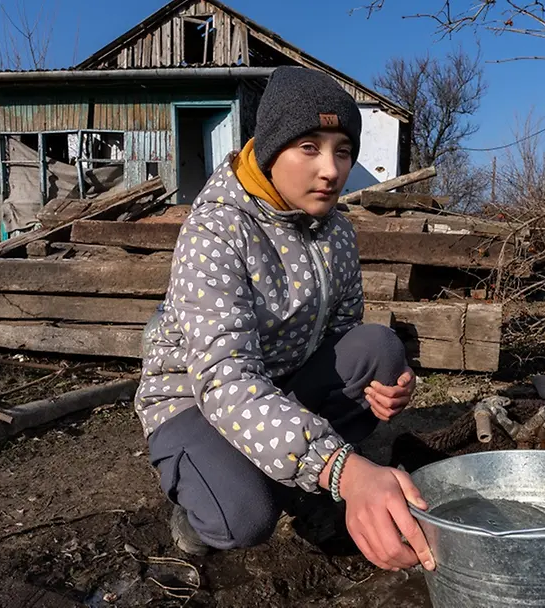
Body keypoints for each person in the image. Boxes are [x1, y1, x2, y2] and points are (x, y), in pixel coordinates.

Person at [134, 66, 435, 573]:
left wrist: (387, 386)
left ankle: (298, 481)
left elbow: (343, 335)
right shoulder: (217, 230)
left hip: (282, 386)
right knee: (243, 516)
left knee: (380, 348)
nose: (331, 170)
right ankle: (195, 518)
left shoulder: (337, 232)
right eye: (310, 147)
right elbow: (226, 382)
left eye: (343, 150)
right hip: (195, 399)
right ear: (271, 149)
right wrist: (342, 470)